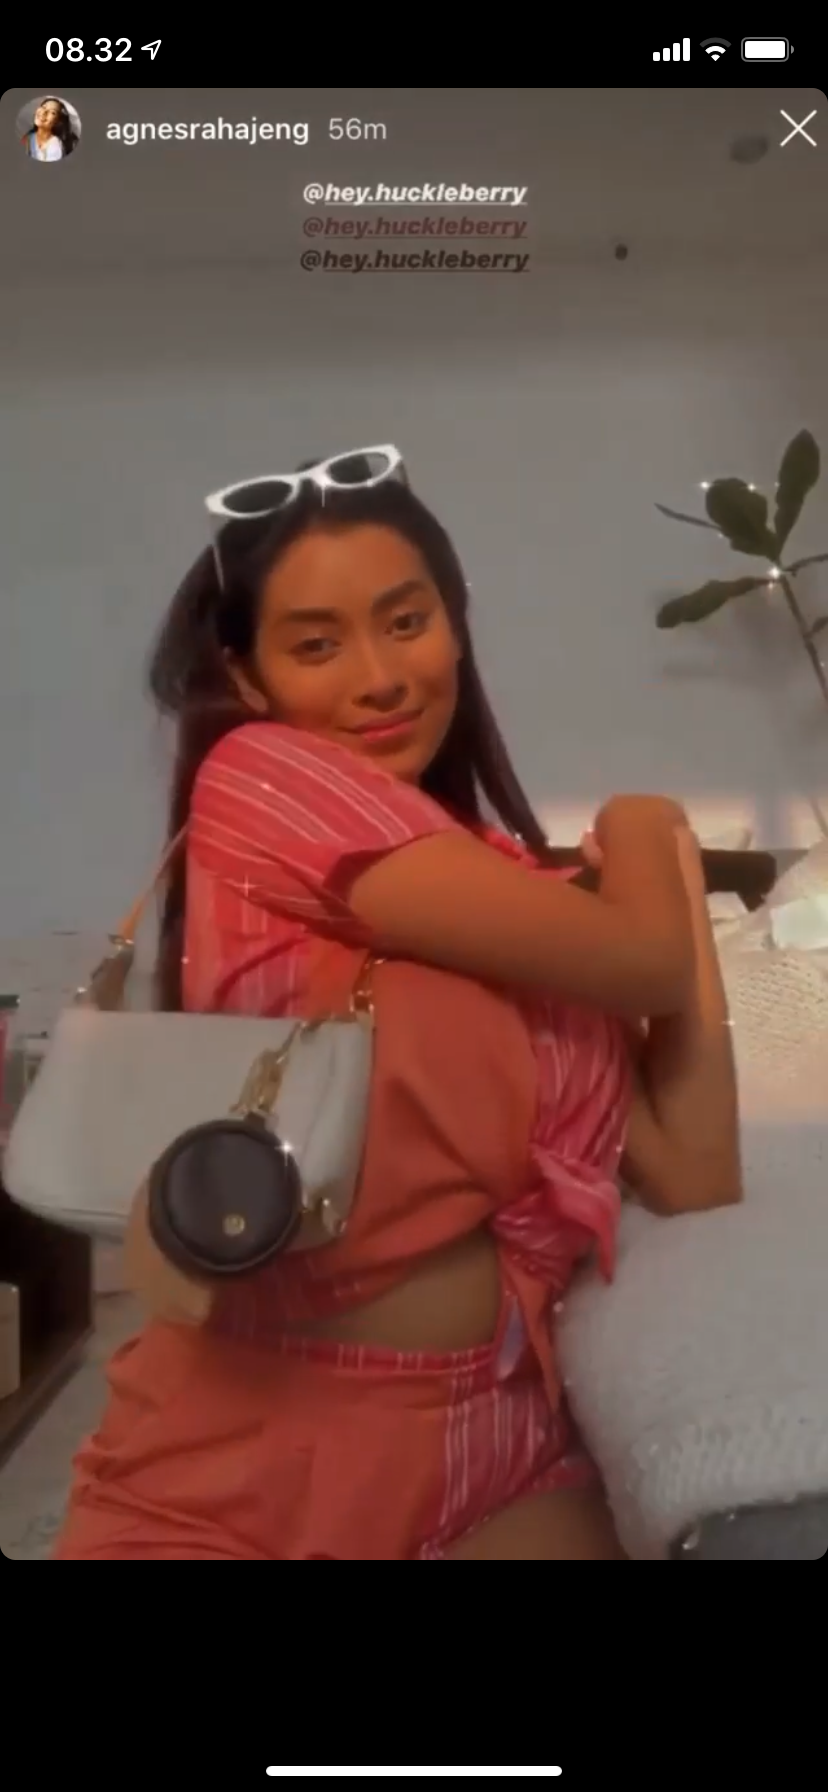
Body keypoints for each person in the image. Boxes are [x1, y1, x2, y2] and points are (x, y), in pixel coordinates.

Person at [54, 447, 741, 1561]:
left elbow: (695, 1169)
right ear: (249, 678)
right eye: (316, 644)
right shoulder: (264, 777)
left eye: (407, 621)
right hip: (255, 1462)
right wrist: (647, 823)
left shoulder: (501, 891)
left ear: (456, 627)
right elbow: (646, 960)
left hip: (505, 1451)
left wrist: (675, 874)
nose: (379, 677)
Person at [21, 96, 79, 161]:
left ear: (58, 122)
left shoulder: (58, 145)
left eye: (52, 112)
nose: (44, 112)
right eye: (43, 107)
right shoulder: (27, 138)